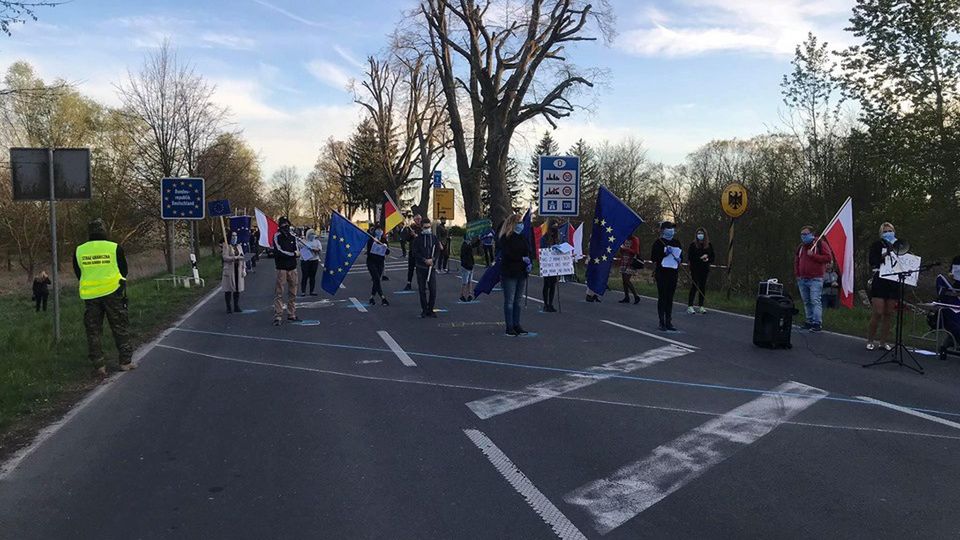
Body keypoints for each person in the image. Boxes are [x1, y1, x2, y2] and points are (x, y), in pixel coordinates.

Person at [74, 218, 132, 375]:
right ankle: (125, 362)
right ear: (104, 231)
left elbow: (78, 273)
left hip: (91, 296)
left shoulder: (80, 250)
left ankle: (99, 365)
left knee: (93, 330)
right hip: (113, 293)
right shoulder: (114, 248)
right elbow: (124, 270)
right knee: (120, 327)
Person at [794, 225, 833, 332]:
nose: (803, 236)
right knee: (806, 301)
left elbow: (828, 258)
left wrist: (813, 256)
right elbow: (797, 261)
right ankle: (809, 320)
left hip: (815, 278)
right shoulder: (801, 247)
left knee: (815, 300)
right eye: (802, 234)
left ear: (812, 234)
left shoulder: (819, 244)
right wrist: (797, 274)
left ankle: (817, 322)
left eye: (806, 234)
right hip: (803, 278)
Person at [866, 222, 899, 350]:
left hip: (893, 280)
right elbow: (872, 261)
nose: (888, 233)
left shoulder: (898, 245)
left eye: (890, 230)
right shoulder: (877, 245)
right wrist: (885, 255)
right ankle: (870, 340)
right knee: (878, 312)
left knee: (888, 313)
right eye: (885, 231)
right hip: (880, 279)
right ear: (881, 233)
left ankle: (883, 342)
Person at [499, 214, 531, 335]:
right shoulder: (506, 238)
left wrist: (528, 262)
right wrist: (521, 259)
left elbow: (528, 251)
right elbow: (508, 255)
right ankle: (509, 326)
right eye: (519, 223)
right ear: (513, 224)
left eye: (521, 222)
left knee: (518, 301)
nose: (521, 225)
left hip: (521, 272)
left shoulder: (522, 237)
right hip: (510, 272)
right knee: (509, 301)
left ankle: (517, 324)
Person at [651, 221, 682, 331]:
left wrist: (679, 260)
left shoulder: (676, 242)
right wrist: (664, 253)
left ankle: (669, 321)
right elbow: (653, 257)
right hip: (662, 273)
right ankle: (661, 321)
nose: (671, 230)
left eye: (672, 228)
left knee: (670, 298)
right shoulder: (659, 242)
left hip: (673, 273)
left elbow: (680, 254)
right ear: (663, 230)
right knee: (662, 297)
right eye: (669, 228)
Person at [272, 216, 301, 326]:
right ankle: (278, 315)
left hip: (292, 268)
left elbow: (297, 250)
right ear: (280, 226)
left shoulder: (293, 237)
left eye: (287, 224)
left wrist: (295, 254)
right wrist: (292, 254)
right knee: (279, 292)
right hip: (281, 268)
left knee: (293, 292)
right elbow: (278, 251)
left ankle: (291, 313)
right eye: (284, 225)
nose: (286, 226)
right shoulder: (277, 236)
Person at [412, 217, 438, 317]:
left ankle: (431, 309)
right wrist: (424, 260)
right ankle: (424, 309)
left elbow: (437, 251)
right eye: (425, 227)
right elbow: (415, 252)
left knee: (433, 289)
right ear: (422, 227)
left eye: (428, 226)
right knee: (422, 290)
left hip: (431, 268)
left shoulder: (434, 238)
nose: (427, 228)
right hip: (420, 268)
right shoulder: (418, 239)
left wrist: (433, 259)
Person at [686, 228, 715, 314]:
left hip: (705, 268)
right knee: (694, 286)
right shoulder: (693, 245)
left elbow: (712, 257)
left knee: (702, 286)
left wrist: (708, 259)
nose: (700, 235)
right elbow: (690, 257)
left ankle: (701, 306)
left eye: (702, 233)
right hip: (695, 268)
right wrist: (700, 258)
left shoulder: (709, 245)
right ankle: (690, 306)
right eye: (698, 233)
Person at [221, 230, 246, 313]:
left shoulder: (239, 246)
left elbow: (243, 257)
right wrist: (234, 258)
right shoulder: (226, 246)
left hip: (238, 270)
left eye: (236, 236)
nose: (234, 237)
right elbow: (225, 257)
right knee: (228, 289)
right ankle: (228, 307)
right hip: (229, 270)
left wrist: (244, 269)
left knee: (237, 289)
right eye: (233, 236)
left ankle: (236, 306)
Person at [366, 227, 391, 306]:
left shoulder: (384, 240)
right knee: (376, 278)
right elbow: (369, 251)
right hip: (371, 262)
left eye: (380, 230)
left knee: (376, 280)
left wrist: (384, 246)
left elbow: (387, 252)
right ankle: (383, 297)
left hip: (380, 263)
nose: (379, 232)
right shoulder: (371, 240)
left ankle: (372, 297)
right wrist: (375, 244)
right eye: (378, 230)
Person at [540, 222, 561, 312]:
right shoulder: (544, 238)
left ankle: (551, 304)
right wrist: (551, 248)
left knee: (553, 284)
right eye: (553, 227)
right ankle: (546, 304)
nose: (554, 229)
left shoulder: (556, 238)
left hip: (555, 264)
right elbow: (543, 249)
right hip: (547, 264)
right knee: (547, 284)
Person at [617, 233, 641, 305]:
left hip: (631, 262)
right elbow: (621, 251)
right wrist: (621, 249)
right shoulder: (624, 239)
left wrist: (626, 249)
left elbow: (636, 251)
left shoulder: (635, 239)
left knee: (627, 280)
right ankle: (626, 297)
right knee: (624, 281)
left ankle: (636, 296)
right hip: (624, 260)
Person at [299, 228, 322, 296]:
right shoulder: (302, 242)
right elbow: (299, 250)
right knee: (305, 276)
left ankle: (312, 291)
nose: (312, 235)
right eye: (310, 234)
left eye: (313, 234)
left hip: (314, 260)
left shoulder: (317, 242)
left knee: (312, 276)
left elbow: (320, 250)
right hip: (305, 261)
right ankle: (303, 291)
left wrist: (314, 249)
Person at [405, 215, 422, 291]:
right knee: (411, 268)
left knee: (420, 269)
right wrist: (410, 234)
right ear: (414, 220)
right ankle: (409, 283)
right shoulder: (411, 228)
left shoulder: (422, 228)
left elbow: (424, 238)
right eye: (417, 219)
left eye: (419, 219)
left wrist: (416, 235)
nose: (418, 220)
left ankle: (421, 284)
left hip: (420, 252)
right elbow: (407, 239)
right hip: (412, 251)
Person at [459, 236, 478, 302]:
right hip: (466, 266)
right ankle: (462, 295)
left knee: (470, 281)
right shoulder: (464, 246)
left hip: (470, 265)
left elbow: (473, 246)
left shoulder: (468, 246)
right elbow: (471, 247)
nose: (469, 241)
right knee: (465, 282)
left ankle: (469, 294)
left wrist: (478, 240)